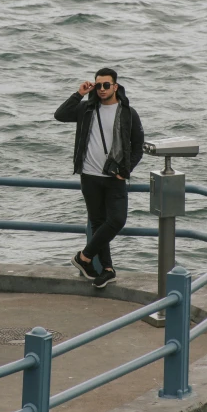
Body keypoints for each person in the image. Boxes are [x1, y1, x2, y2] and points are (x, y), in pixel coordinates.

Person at [54, 68, 144, 288]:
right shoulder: (86, 108)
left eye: (106, 85)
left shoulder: (128, 113)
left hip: (115, 177)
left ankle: (83, 257)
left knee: (116, 220)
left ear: (115, 87)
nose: (102, 89)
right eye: (98, 85)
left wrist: (126, 170)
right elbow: (60, 115)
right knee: (97, 223)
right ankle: (107, 269)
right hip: (89, 175)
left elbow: (138, 147)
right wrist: (79, 94)